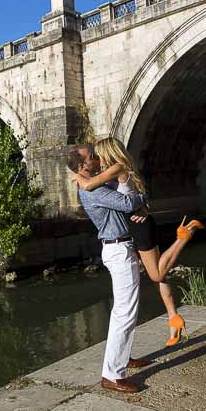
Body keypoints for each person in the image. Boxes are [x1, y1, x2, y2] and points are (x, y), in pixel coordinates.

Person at [71, 137, 203, 346]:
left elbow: (89, 185)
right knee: (161, 277)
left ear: (108, 152)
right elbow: (135, 194)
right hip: (138, 224)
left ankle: (184, 235)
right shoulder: (118, 170)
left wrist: (79, 176)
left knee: (156, 274)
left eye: (99, 154)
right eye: (94, 157)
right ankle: (173, 318)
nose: (98, 159)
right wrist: (144, 204)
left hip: (139, 228)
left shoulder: (117, 167)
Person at [67, 143, 152, 393]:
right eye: (93, 157)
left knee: (126, 310)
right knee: (124, 312)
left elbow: (127, 193)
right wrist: (143, 199)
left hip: (121, 247)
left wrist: (140, 202)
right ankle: (112, 376)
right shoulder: (94, 191)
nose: (98, 158)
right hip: (118, 249)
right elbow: (127, 204)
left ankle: (122, 359)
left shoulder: (96, 185)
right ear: (83, 165)